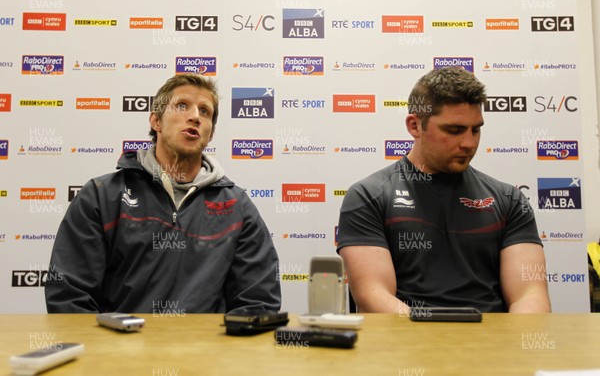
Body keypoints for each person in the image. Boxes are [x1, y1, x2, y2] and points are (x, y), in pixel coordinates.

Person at [45, 74, 281, 314]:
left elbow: (258, 302)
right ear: (156, 121)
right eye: (181, 106)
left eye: (205, 111)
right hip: (121, 348)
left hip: (207, 350)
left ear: (211, 135)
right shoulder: (101, 196)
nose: (195, 117)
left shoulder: (236, 206)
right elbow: (70, 299)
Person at [337, 67, 551, 313]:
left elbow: (529, 295)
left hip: (491, 344)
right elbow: (373, 296)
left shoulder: (509, 199)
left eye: (476, 129)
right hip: (407, 344)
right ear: (415, 126)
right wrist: (438, 343)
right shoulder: (369, 197)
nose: (469, 143)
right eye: (454, 130)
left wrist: (511, 346)